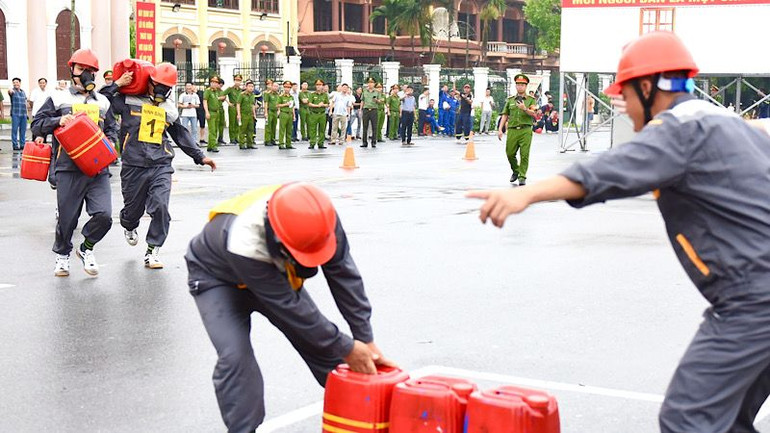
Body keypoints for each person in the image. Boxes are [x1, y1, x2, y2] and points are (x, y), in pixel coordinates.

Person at [469, 31, 770, 433]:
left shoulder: (675, 131)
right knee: (727, 419)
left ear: (649, 87)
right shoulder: (727, 121)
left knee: (688, 418)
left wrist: (527, 195)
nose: (625, 109)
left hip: (753, 302)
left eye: (626, 96)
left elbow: (605, 171)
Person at [185, 182, 396, 433]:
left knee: (333, 354)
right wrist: (348, 347)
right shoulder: (246, 239)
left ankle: (363, 421)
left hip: (271, 273)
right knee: (236, 358)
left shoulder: (321, 216)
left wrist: (364, 338)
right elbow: (291, 309)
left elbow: (343, 274)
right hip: (216, 278)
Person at [101, 62, 216, 268]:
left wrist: (200, 156)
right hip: (133, 164)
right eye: (157, 85)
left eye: (166, 86)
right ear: (149, 82)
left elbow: (180, 133)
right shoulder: (128, 100)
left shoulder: (169, 108)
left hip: (160, 163)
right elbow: (100, 101)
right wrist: (117, 84)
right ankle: (129, 224)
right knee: (132, 211)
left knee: (161, 206)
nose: (161, 90)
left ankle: (152, 250)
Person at [31, 48, 118, 277]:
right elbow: (37, 124)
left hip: (97, 168)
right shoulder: (59, 97)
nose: (85, 75)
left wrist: (111, 142)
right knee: (67, 218)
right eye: (81, 69)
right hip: (68, 168)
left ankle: (86, 248)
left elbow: (111, 129)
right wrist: (59, 119)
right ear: (72, 70)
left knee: (105, 216)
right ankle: (62, 254)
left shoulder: (104, 102)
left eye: (90, 71)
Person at [498, 74, 538, 185]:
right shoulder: (510, 100)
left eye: (522, 85)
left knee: (524, 154)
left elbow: (534, 113)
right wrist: (500, 129)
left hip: (525, 130)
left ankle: (522, 176)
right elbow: (505, 115)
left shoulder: (531, 100)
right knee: (510, 153)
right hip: (512, 130)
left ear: (526, 86)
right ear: (516, 86)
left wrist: (524, 108)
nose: (520, 87)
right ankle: (516, 170)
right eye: (518, 84)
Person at [203, 76, 226, 152]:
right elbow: (205, 101)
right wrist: (207, 112)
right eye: (213, 82)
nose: (214, 84)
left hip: (217, 112)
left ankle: (210, 145)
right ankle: (213, 146)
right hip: (211, 112)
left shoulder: (216, 91)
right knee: (212, 129)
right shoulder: (208, 91)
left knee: (215, 129)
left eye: (216, 82)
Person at [306, 79, 329, 149]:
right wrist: (317, 105)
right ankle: (312, 143)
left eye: (320, 85)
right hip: (314, 113)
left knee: (322, 129)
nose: (319, 86)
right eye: (317, 85)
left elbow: (328, 104)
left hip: (322, 114)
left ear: (323, 86)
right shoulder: (312, 94)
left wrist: (323, 105)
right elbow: (309, 103)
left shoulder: (325, 95)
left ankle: (321, 143)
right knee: (313, 129)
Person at [29, 78, 53, 142]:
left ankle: (43, 145)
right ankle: (34, 146)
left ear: (46, 83)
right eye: (41, 83)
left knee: (44, 130)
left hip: (45, 114)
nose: (42, 84)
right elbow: (31, 101)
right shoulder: (35, 91)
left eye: (43, 83)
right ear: (38, 84)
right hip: (36, 114)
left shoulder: (49, 92)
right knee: (35, 130)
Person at [360, 78, 381, 148]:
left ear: (374, 84)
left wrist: (376, 100)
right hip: (366, 110)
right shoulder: (364, 91)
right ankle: (364, 142)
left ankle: (373, 142)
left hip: (374, 110)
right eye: (369, 82)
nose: (370, 84)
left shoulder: (377, 92)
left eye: (372, 82)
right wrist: (360, 109)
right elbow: (362, 101)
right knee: (365, 127)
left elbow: (380, 101)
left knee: (374, 127)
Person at [237, 80, 258, 149]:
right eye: (249, 86)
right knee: (242, 129)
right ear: (246, 87)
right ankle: (242, 144)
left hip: (250, 115)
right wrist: (238, 114)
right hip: (244, 114)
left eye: (252, 86)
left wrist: (254, 114)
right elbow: (238, 104)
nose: (251, 88)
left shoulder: (252, 95)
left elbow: (252, 105)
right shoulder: (242, 95)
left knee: (250, 129)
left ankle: (250, 143)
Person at [8, 77, 28, 151]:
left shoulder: (23, 92)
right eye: (14, 82)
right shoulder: (12, 91)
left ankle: (22, 144)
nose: (16, 84)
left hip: (23, 114)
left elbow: (25, 102)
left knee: (23, 130)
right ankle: (15, 145)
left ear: (20, 83)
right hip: (15, 113)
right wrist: (10, 90)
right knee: (14, 130)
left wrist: (27, 113)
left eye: (17, 82)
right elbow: (10, 92)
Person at [276, 80, 296, 150]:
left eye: (288, 87)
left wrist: (294, 115)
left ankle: (288, 143)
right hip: (283, 113)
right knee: (282, 129)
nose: (287, 89)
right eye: (286, 87)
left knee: (289, 130)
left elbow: (293, 106)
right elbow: (277, 105)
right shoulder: (281, 96)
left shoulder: (291, 97)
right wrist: (285, 104)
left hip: (290, 114)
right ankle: (281, 143)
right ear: (283, 88)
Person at [225, 74, 244, 146]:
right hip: (232, 107)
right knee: (232, 123)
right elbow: (222, 94)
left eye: (239, 80)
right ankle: (232, 138)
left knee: (238, 123)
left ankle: (237, 137)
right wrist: (228, 102)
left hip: (239, 107)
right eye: (236, 80)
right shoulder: (230, 89)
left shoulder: (241, 90)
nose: (237, 82)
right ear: (234, 80)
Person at [263, 80, 279, 146]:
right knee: (268, 126)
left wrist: (279, 110)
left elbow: (279, 103)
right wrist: (266, 112)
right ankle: (267, 140)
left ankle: (273, 139)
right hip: (269, 111)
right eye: (274, 86)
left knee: (274, 126)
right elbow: (266, 103)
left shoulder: (277, 94)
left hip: (275, 111)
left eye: (277, 86)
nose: (275, 87)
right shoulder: (268, 94)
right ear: (271, 86)